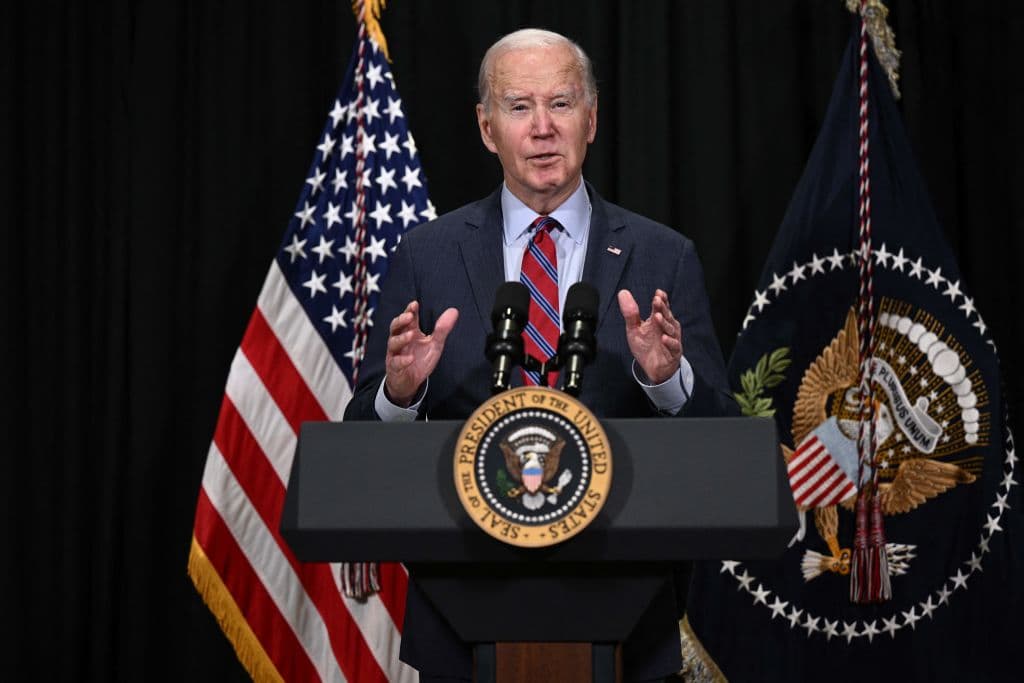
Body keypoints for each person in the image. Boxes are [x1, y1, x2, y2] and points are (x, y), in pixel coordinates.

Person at [345, 28, 734, 682]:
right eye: (519, 106)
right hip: (463, 618)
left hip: (626, 618)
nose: (543, 128)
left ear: (592, 119)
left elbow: (722, 439)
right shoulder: (427, 255)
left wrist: (670, 381)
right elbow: (360, 437)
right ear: (487, 128)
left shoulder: (662, 256)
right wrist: (400, 394)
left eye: (561, 103)